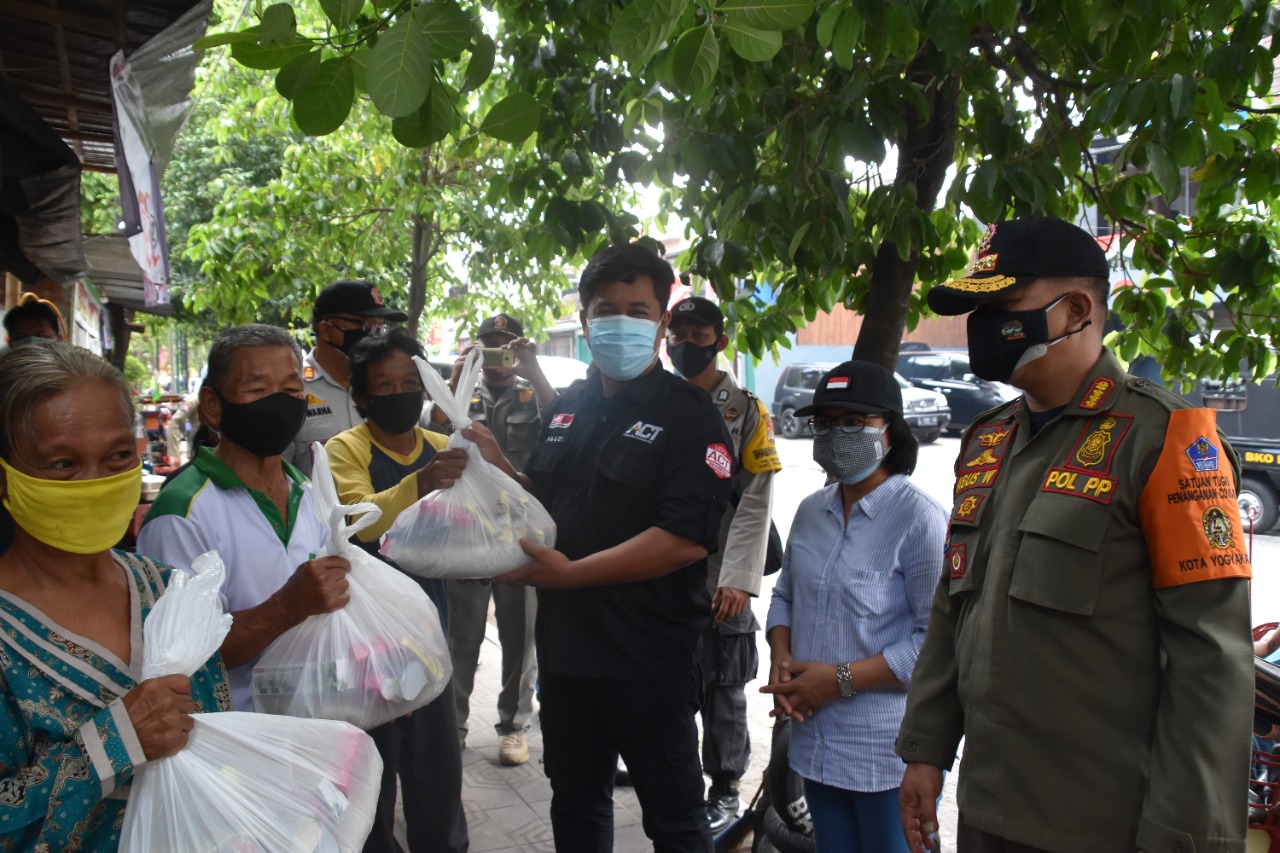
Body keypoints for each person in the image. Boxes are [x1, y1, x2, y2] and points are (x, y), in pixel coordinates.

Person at [896, 216, 1255, 853]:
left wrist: (1182, 836)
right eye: (974, 310)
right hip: (989, 810)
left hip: (1103, 825)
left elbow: (1210, 665)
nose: (982, 327)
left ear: (1078, 310)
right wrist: (926, 747)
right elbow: (955, 607)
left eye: (1002, 307)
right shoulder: (988, 441)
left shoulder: (1165, 438)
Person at [501, 242, 735, 853]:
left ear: (661, 323)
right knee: (576, 804)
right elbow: (546, 501)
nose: (621, 321)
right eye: (607, 309)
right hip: (566, 655)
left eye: (638, 309)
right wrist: (489, 465)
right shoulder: (569, 408)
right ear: (585, 321)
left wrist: (572, 575)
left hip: (646, 659)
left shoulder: (690, 416)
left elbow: (685, 539)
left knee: (675, 817)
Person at [0, 342, 230, 850]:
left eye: (118, 457)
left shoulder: (174, 594)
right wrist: (110, 747)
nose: (97, 483)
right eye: (62, 463)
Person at [327, 327, 515, 853]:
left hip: (430, 627)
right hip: (367, 636)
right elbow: (358, 520)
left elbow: (488, 516)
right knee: (375, 764)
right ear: (360, 396)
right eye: (383, 386)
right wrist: (422, 482)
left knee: (436, 763)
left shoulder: (442, 445)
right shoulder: (345, 449)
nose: (398, 394)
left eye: (410, 381)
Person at [761, 360, 945, 852]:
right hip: (815, 740)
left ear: (890, 430)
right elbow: (785, 596)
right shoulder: (810, 511)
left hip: (887, 755)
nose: (835, 435)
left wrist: (838, 680)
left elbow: (937, 643)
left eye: (852, 422)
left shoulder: (921, 521)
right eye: (825, 423)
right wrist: (782, 655)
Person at [138, 324, 352, 712]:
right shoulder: (183, 512)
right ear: (213, 406)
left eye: (290, 390)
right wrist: (288, 606)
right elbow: (177, 659)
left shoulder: (309, 493)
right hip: (231, 749)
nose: (280, 403)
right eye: (257, 390)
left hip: (311, 731)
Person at [666, 296, 782, 829]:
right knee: (663, 674)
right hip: (660, 569)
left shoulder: (744, 411)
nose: (687, 344)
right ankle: (672, 772)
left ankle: (726, 786)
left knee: (722, 680)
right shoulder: (654, 398)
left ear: (721, 340)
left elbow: (756, 498)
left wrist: (739, 576)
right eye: (678, 333)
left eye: (700, 333)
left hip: (719, 574)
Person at [432, 312, 556, 765]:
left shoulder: (533, 394)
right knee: (461, 632)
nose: (497, 360)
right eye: (489, 349)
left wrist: (534, 371)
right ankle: (456, 724)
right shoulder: (465, 392)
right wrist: (454, 379)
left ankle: (514, 725)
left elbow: (565, 428)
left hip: (519, 531)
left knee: (520, 634)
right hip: (468, 529)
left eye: (506, 348)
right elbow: (433, 430)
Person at [290, 279, 408, 476]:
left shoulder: (385, 385)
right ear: (327, 330)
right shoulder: (293, 388)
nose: (376, 337)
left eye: (380, 327)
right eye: (367, 327)